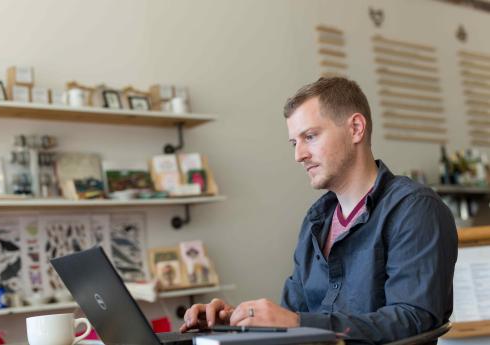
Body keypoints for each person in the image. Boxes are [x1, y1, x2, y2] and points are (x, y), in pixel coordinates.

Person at [180, 77, 458, 344]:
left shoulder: (414, 209)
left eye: (310, 137)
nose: (298, 155)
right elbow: (291, 315)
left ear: (356, 128)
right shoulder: (316, 221)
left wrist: (297, 323)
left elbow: (413, 318)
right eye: (294, 143)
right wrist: (235, 323)